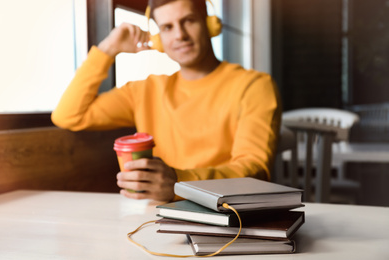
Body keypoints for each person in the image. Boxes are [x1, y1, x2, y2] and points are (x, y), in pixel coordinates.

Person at [51, 0, 282, 202]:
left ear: (210, 24)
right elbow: (68, 115)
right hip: (156, 213)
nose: (179, 35)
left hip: (225, 211)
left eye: (189, 20)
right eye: (168, 27)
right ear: (159, 39)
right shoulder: (145, 90)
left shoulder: (255, 86)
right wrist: (108, 50)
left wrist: (179, 183)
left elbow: (254, 170)